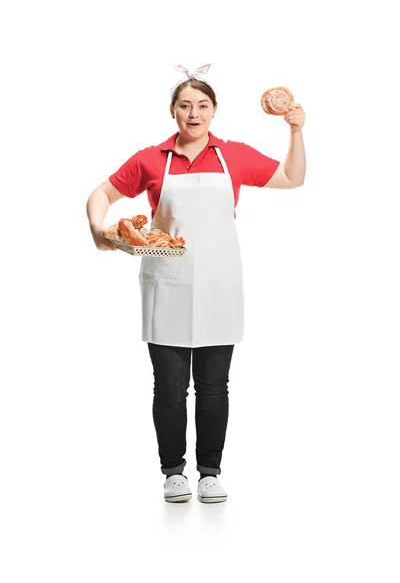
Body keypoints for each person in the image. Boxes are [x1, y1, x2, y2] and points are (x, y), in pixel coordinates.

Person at [86, 63, 306, 504]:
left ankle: (209, 472)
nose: (194, 113)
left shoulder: (234, 155)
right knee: (167, 388)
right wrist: (98, 228)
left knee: (213, 387)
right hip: (166, 283)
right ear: (173, 111)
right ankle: (172, 473)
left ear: (214, 111)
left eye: (202, 105)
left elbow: (292, 178)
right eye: (185, 105)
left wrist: (295, 132)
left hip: (219, 283)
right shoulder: (151, 158)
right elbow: (102, 194)